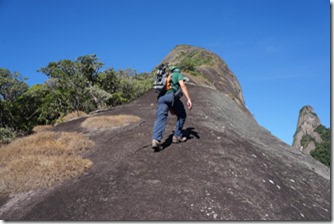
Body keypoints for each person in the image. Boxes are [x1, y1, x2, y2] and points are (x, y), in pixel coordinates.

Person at [152, 65, 192, 151]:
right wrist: (188, 99)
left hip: (161, 98)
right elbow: (183, 86)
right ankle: (177, 136)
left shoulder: (167, 76)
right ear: (177, 69)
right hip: (171, 97)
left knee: (160, 118)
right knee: (182, 115)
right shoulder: (177, 74)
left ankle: (155, 140)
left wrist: (170, 107)